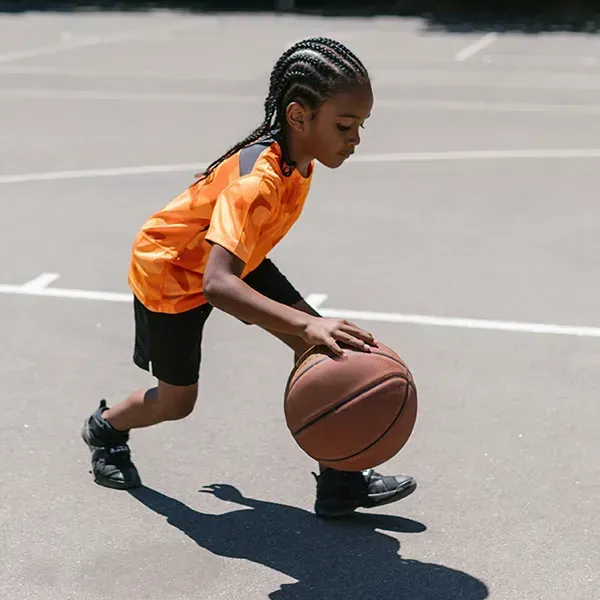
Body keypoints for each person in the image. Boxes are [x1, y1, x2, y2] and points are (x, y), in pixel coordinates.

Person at [82, 36, 417, 519]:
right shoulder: (257, 183)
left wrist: (308, 331)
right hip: (172, 271)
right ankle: (107, 429)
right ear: (299, 116)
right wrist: (303, 323)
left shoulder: (298, 158)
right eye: (345, 125)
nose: (356, 138)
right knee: (178, 403)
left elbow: (233, 266)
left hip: (234, 257)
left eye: (361, 125)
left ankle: (340, 482)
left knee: (328, 348)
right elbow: (217, 285)